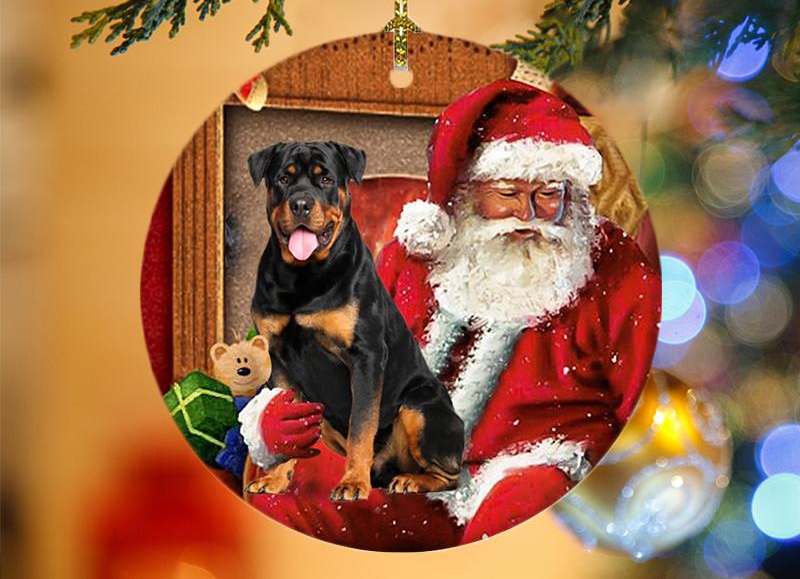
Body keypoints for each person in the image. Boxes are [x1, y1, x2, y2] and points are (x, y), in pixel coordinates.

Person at [242, 79, 661, 548]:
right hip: (406, 464)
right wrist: (280, 418)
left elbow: (644, 404)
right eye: (507, 192)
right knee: (290, 506)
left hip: (531, 465)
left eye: (548, 193)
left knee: (519, 514)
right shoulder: (418, 253)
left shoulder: (614, 270)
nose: (529, 214)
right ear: (469, 191)